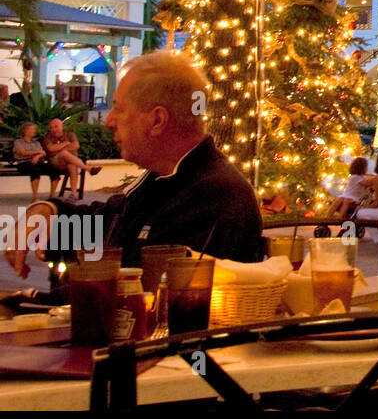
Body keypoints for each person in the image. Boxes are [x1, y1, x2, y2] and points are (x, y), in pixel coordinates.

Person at [5, 51, 263, 278]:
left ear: (157, 120)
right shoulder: (168, 178)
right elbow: (109, 225)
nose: (109, 121)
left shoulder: (213, 197)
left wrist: (33, 300)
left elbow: (136, 294)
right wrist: (48, 210)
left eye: (119, 108)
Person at [42, 117, 101, 183]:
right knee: (64, 153)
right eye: (51, 127)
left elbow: (76, 146)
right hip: (56, 162)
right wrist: (65, 143)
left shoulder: (70, 135)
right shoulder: (48, 137)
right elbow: (51, 148)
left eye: (56, 127)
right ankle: (88, 168)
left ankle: (73, 192)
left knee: (72, 165)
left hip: (70, 160)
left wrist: (59, 148)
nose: (53, 129)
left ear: (61, 126)